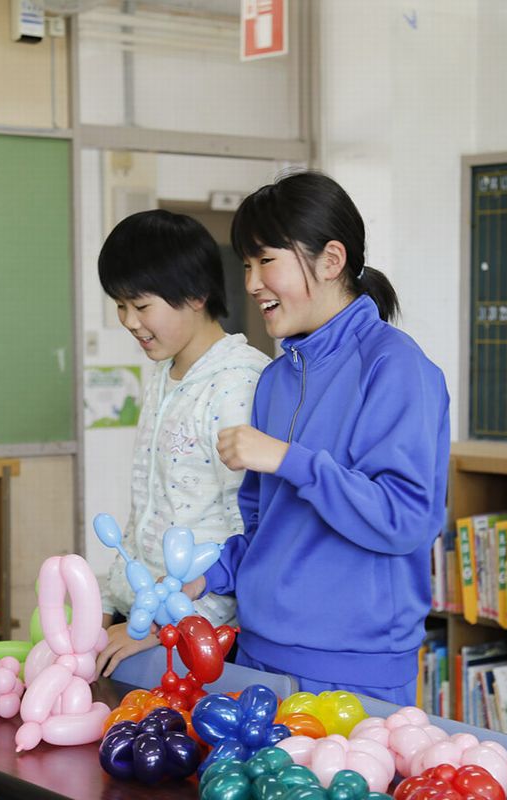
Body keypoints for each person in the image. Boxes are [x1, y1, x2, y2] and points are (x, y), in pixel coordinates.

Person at [184, 171, 451, 705]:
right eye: (246, 265)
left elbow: (406, 519)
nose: (253, 283)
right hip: (258, 654)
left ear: (331, 260)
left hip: (354, 673)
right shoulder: (277, 380)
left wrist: (290, 459)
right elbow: (267, 528)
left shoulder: (397, 368)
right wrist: (210, 572)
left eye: (266, 261)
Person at [93, 209, 270, 676]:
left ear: (195, 294)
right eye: (119, 305)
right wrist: (117, 607)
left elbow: (245, 532)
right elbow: (146, 505)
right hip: (147, 621)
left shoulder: (240, 382)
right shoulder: (161, 374)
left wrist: (168, 631)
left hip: (198, 636)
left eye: (141, 305)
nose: (129, 321)